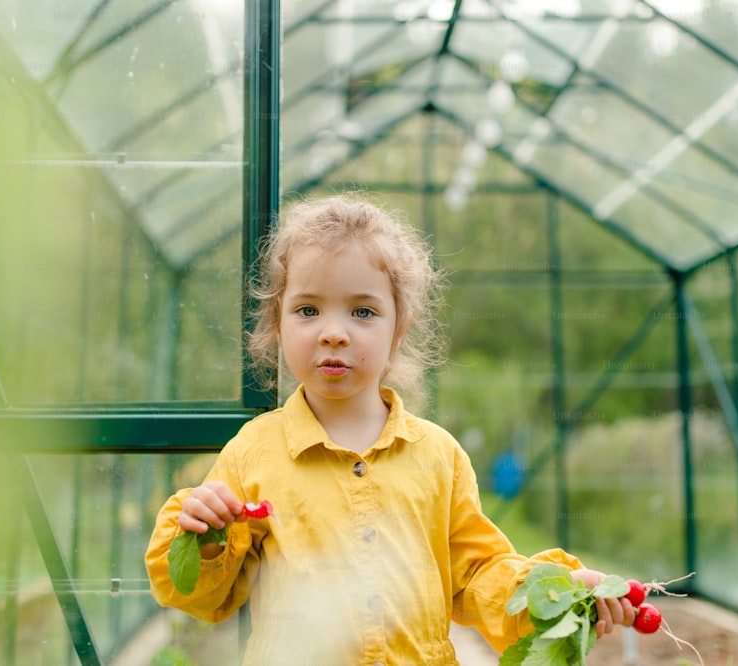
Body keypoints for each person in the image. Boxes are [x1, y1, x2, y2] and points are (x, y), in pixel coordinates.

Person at [145, 193, 635, 664]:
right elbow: (203, 595)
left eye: (363, 311)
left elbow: (478, 574)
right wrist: (204, 536)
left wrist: (558, 593)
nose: (333, 331)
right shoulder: (253, 451)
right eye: (307, 309)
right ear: (278, 326)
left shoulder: (439, 455)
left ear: (398, 328)